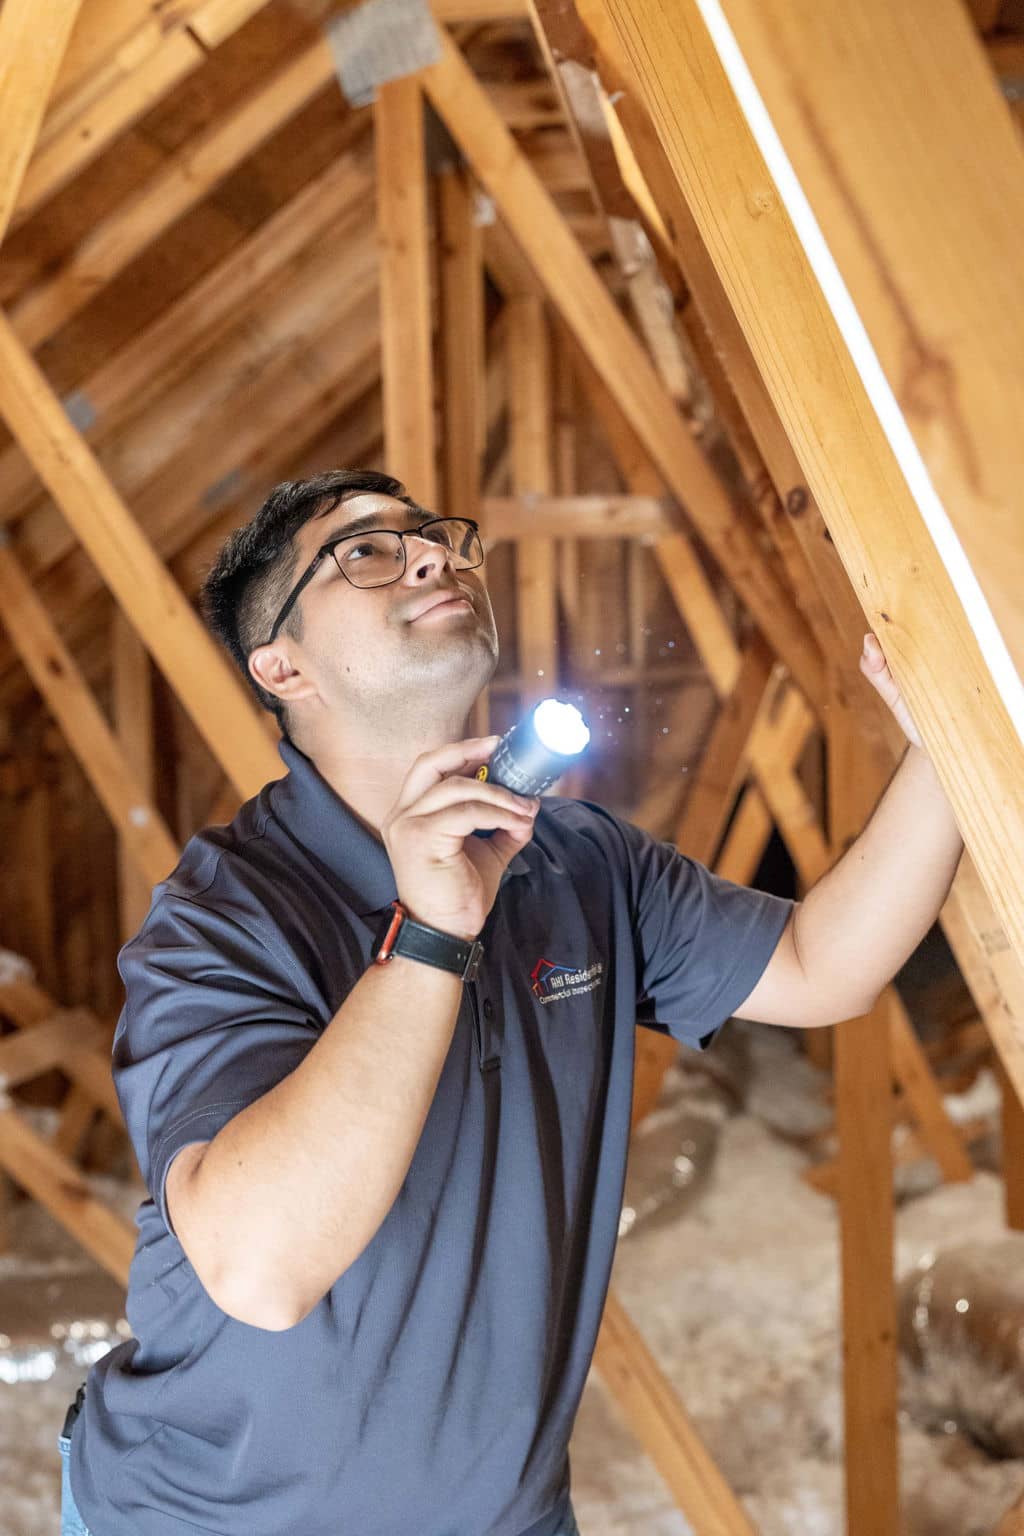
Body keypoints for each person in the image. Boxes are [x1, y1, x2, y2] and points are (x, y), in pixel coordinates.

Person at [59, 468, 964, 1536]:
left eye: (434, 538)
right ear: (280, 664)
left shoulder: (578, 861)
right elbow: (262, 1270)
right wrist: (432, 934)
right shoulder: (225, 915)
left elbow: (823, 965)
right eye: (365, 551)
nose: (435, 557)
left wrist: (952, 738)